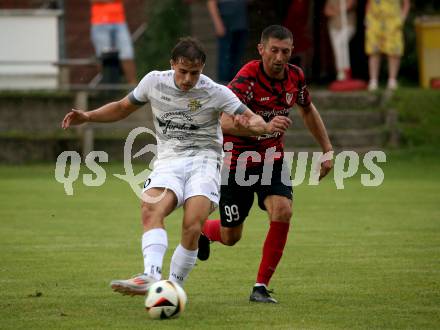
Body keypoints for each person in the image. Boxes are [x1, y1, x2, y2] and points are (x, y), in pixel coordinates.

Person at [61, 37, 291, 295]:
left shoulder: (215, 92)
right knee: (151, 209)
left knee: (192, 224)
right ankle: (150, 275)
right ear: (172, 65)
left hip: (205, 163)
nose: (187, 79)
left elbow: (251, 118)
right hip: (168, 162)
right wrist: (88, 116)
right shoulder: (153, 81)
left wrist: (262, 126)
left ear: (202, 68)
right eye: (182, 72)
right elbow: (122, 108)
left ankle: (172, 287)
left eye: (194, 73)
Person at [198, 25, 334, 303]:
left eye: (285, 51)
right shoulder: (247, 78)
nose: (279, 57)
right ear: (261, 50)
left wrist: (327, 149)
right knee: (231, 235)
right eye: (274, 50)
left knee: (282, 210)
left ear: (291, 51)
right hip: (236, 162)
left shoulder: (295, 76)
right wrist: (261, 128)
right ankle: (204, 230)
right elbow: (222, 121)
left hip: (271, 159)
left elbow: (307, 109)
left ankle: (260, 286)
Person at [365, 0, 410, 91]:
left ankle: (392, 80)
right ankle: (373, 81)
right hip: (375, 20)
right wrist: (367, 18)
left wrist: (402, 18)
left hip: (393, 21)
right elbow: (369, 3)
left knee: (393, 51)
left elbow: (406, 3)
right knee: (374, 51)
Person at [90, 0, 137, 84]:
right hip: (99, 22)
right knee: (102, 57)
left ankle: (134, 91)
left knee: (127, 55)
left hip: (119, 21)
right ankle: (106, 88)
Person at [206, 0, 248, 84]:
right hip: (226, 25)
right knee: (225, 60)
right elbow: (211, 3)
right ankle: (224, 86)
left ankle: (236, 87)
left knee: (237, 60)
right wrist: (218, 24)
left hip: (240, 24)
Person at [324, 0, 357, 81]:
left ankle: (346, 70)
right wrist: (338, 10)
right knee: (337, 49)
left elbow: (348, 6)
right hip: (334, 26)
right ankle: (340, 72)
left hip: (347, 25)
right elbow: (327, 11)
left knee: (340, 43)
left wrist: (335, 10)